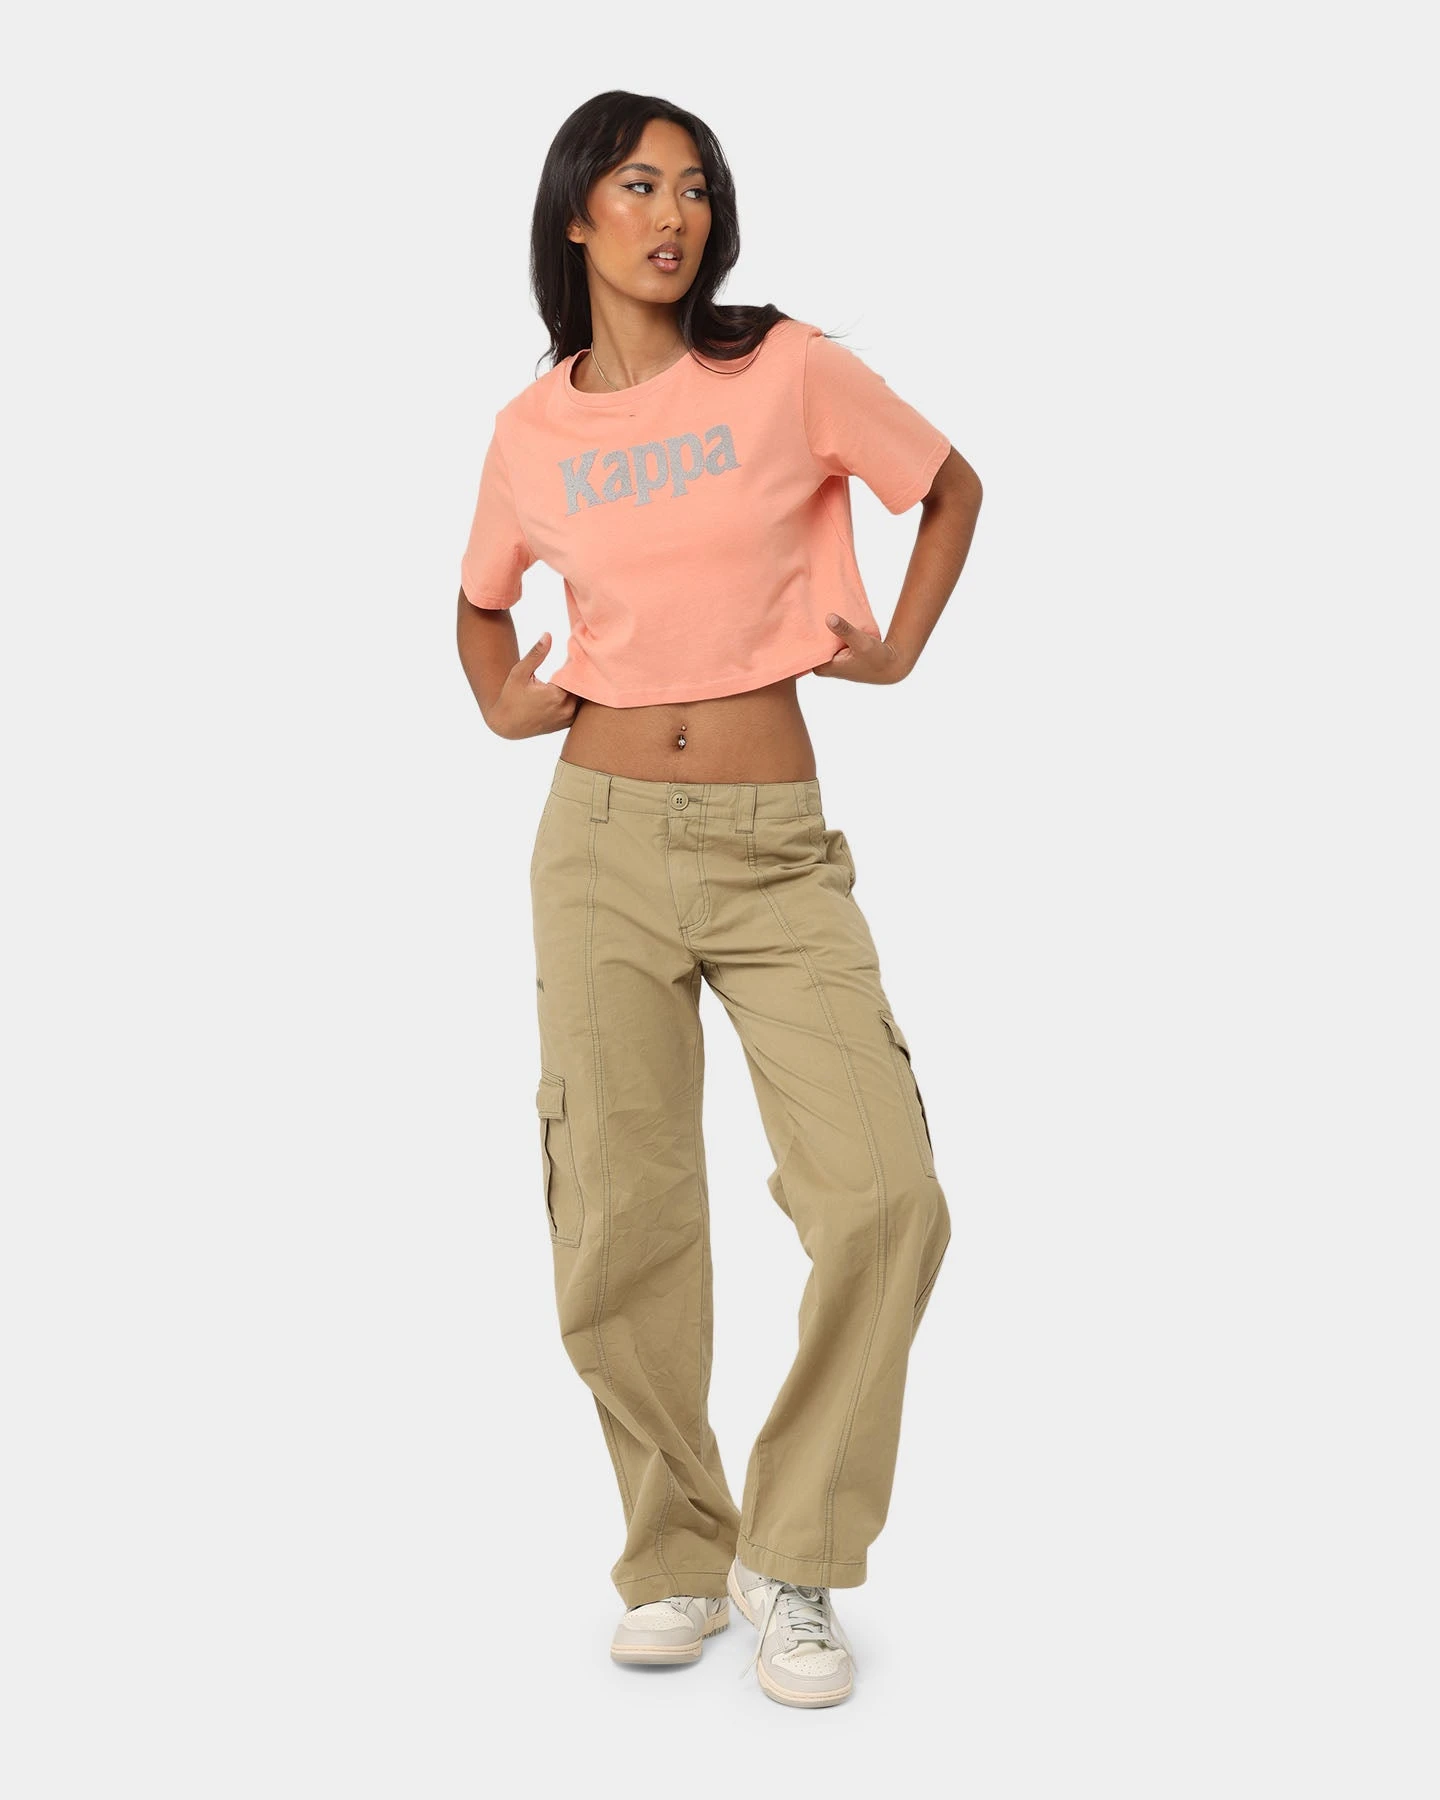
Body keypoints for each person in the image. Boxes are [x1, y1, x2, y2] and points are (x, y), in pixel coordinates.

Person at [455, 91, 983, 1710]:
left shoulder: (786, 369)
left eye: (694, 187)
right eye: (638, 185)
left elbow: (950, 485)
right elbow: (479, 609)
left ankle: (794, 1551)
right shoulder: (529, 430)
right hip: (598, 845)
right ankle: (677, 1553)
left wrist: (898, 646)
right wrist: (504, 697)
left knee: (885, 1196)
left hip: (773, 848)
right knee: (620, 1216)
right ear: (577, 214)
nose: (671, 214)